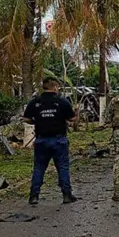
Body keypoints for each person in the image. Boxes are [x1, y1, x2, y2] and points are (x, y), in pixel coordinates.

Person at [23, 77, 78, 205]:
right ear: (54, 87)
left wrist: (37, 121)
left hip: (41, 140)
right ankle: (66, 194)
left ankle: (34, 196)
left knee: (39, 167)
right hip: (59, 140)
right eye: (58, 87)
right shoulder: (62, 102)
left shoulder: (35, 102)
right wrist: (76, 112)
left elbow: (26, 118)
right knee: (63, 167)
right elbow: (73, 119)